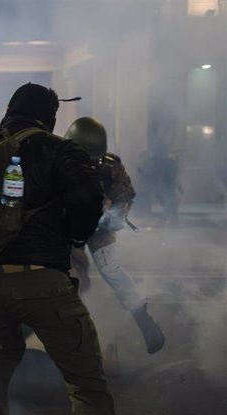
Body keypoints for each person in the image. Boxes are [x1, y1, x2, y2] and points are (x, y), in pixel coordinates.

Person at [0, 83, 123, 415]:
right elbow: (87, 199)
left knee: (1, 351)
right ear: (49, 116)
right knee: (88, 383)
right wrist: (75, 235)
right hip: (43, 281)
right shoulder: (59, 149)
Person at [65, 117, 165, 354]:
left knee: (110, 268)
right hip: (69, 226)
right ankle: (73, 335)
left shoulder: (110, 166)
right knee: (73, 278)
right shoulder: (59, 163)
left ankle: (144, 321)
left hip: (100, 225)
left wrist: (114, 216)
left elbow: (125, 195)